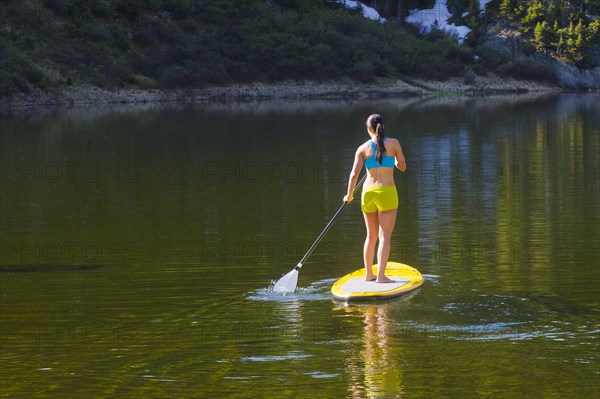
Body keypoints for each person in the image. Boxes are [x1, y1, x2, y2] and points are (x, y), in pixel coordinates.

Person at [343, 114, 406, 283]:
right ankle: (381, 277)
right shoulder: (394, 143)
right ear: (382, 126)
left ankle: (368, 275)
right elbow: (403, 167)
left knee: (371, 236)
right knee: (384, 237)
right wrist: (392, 161)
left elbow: (354, 174)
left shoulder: (362, 149)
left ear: (368, 129)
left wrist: (349, 195)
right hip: (386, 193)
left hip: (368, 193)